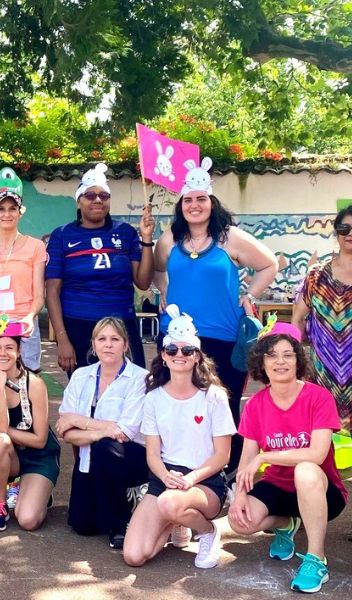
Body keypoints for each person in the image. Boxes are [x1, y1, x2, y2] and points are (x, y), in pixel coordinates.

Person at [153, 157, 277, 478]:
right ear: (181, 205)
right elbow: (156, 268)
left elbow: (269, 265)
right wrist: (164, 291)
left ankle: (229, 472)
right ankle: (177, 468)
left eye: (201, 199)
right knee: (178, 405)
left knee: (223, 407)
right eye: (188, 200)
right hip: (177, 341)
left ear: (212, 202)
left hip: (223, 338)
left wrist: (249, 295)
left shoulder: (230, 238)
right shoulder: (169, 240)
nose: (194, 206)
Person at [228, 322, 347, 594]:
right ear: (261, 361)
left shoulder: (318, 397)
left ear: (297, 359)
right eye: (271, 355)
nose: (280, 361)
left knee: (305, 469)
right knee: (239, 520)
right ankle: (287, 522)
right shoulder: (255, 404)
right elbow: (247, 459)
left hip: (321, 489)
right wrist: (240, 497)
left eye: (287, 354)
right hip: (279, 487)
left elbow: (317, 454)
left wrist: (264, 457)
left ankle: (316, 559)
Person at [123, 305, 236, 569]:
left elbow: (223, 455)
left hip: (203, 480)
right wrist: (164, 477)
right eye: (172, 350)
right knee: (135, 555)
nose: (179, 355)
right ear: (163, 355)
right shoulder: (152, 398)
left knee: (170, 502)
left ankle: (207, 531)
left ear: (197, 356)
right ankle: (177, 520)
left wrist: (190, 479)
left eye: (187, 350)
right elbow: (152, 454)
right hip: (166, 478)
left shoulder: (214, 396)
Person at [46, 163, 155, 372]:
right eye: (90, 195)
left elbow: (142, 282)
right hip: (78, 326)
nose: (97, 200)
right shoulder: (61, 235)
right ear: (79, 202)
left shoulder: (125, 233)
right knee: (86, 396)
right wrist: (62, 340)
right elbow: (52, 291)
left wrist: (147, 240)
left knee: (131, 389)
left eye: (103, 196)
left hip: (122, 325)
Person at [56, 317, 148, 549]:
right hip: (91, 457)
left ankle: (121, 523)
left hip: (130, 456)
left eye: (115, 339)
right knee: (82, 525)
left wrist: (79, 421)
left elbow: (125, 432)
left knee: (106, 448)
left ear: (125, 345)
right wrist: (102, 429)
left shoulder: (140, 378)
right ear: (93, 345)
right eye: (102, 339)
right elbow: (65, 432)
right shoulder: (80, 376)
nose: (108, 345)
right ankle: (113, 504)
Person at [0, 316, 60, 532]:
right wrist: (0, 387)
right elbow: (1, 428)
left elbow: (40, 440)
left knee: (28, 520)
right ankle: (0, 503)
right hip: (12, 455)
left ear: (19, 351)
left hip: (38, 457)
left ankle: (39, 493)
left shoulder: (35, 384)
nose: (2, 353)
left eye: (9, 348)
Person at [0, 167, 46, 371]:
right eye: (1, 209)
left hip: (22, 322)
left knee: (26, 383)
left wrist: (29, 318)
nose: (7, 214)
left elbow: (39, 295)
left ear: (20, 212)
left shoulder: (35, 246)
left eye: (12, 208)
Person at [292, 205, 352, 432]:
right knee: (324, 438)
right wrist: (298, 361)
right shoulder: (316, 275)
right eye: (344, 228)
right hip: (322, 373)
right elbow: (298, 320)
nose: (350, 233)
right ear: (336, 233)